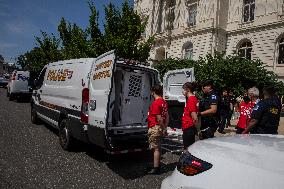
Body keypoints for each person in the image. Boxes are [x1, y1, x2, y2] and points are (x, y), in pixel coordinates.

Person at [147, 85, 169, 174]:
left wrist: (163, 128)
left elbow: (159, 118)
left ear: (153, 92)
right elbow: (167, 116)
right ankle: (157, 165)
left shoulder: (155, 103)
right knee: (158, 148)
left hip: (155, 127)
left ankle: (156, 168)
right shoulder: (164, 102)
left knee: (155, 148)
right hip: (160, 127)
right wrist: (165, 127)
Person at [181, 82, 199, 152]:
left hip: (188, 127)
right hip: (189, 127)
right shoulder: (193, 98)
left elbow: (194, 117)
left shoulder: (191, 99)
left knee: (188, 149)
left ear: (187, 89)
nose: (182, 91)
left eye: (183, 89)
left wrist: (197, 130)